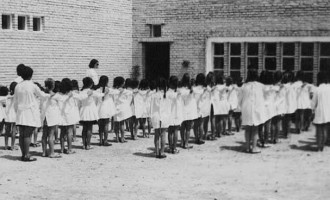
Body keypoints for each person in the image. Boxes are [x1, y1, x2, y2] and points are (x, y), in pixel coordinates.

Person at [14, 66, 50, 161]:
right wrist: (50, 95)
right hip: (30, 112)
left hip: (20, 112)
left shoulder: (18, 86)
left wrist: (16, 111)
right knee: (27, 135)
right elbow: (42, 95)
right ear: (31, 75)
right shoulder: (33, 85)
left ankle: (23, 154)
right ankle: (26, 155)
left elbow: (15, 101)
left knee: (22, 134)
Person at [239, 69, 265, 153]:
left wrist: (239, 108)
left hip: (246, 108)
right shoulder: (261, 86)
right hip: (257, 108)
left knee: (247, 128)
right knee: (255, 129)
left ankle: (247, 147)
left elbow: (240, 98)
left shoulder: (244, 86)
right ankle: (254, 147)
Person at [80, 77, 104, 150]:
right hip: (90, 111)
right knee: (89, 128)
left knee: (84, 128)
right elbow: (100, 95)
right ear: (91, 84)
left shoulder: (81, 91)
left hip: (83, 110)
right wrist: (105, 92)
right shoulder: (92, 91)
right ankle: (88, 145)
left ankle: (84, 144)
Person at [41, 78, 62, 158]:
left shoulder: (43, 95)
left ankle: (44, 152)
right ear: (53, 86)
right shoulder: (56, 95)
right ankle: (51, 152)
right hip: (52, 116)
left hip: (44, 116)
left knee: (44, 135)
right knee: (50, 135)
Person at [150, 78, 171, 158]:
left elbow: (151, 107)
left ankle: (156, 151)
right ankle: (162, 152)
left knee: (156, 135)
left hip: (156, 116)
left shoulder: (154, 95)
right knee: (163, 135)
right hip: (165, 116)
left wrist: (151, 117)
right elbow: (169, 107)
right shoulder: (167, 95)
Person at [312, 72, 330, 151]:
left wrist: (312, 109)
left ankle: (320, 146)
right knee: (325, 128)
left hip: (319, 111)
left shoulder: (317, 89)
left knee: (319, 130)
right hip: (328, 111)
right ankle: (324, 142)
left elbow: (313, 102)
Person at [179, 73, 197, 149]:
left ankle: (182, 142)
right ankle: (186, 143)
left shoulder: (180, 89)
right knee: (188, 128)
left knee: (182, 127)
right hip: (189, 110)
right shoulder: (191, 89)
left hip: (182, 109)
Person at [96, 76, 115, 146]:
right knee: (106, 125)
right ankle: (105, 140)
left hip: (99, 108)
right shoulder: (109, 90)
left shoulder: (98, 90)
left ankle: (100, 140)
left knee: (100, 126)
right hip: (107, 108)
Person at [113, 76, 133, 143]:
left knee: (116, 124)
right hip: (122, 108)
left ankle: (117, 138)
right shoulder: (126, 91)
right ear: (121, 83)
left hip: (115, 107)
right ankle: (122, 138)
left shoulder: (113, 90)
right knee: (122, 124)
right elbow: (130, 95)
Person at [167, 76, 182, 154]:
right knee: (176, 131)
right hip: (176, 113)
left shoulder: (167, 93)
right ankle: (174, 148)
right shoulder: (178, 93)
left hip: (169, 114)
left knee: (170, 131)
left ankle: (170, 148)